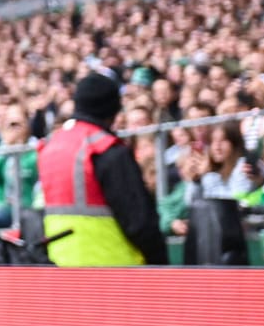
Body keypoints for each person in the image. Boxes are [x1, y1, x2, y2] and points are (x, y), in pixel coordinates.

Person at [35, 74, 169, 265]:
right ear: (114, 110)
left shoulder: (51, 146)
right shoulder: (105, 148)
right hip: (114, 270)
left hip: (63, 267)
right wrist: (161, 266)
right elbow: (139, 223)